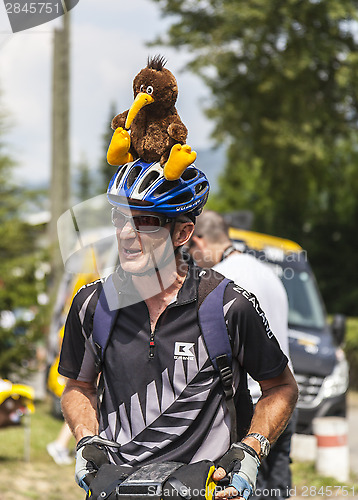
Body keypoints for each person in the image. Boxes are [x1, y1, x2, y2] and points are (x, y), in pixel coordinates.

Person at [58, 159, 298, 499]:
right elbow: (78, 385)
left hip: (204, 489)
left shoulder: (228, 306)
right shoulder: (93, 304)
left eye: (146, 222)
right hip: (117, 489)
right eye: (120, 217)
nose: (127, 233)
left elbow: (281, 386)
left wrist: (251, 451)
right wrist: (85, 438)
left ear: (183, 233)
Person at [188, 210, 296, 500]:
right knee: (276, 488)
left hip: (248, 407)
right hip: (283, 397)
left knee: (242, 489)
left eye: (190, 252)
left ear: (199, 242)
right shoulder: (266, 271)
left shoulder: (223, 281)